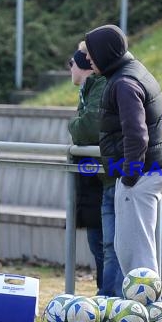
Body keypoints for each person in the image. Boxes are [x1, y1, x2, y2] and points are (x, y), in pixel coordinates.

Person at [84, 25, 162, 278]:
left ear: (104, 52)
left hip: (139, 176)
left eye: (91, 52)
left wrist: (129, 176)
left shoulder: (123, 82)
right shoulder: (131, 72)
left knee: (136, 258)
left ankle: (143, 314)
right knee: (137, 252)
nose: (88, 59)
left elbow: (136, 133)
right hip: (146, 173)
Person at [67, 43, 106, 294]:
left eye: (71, 63)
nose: (69, 69)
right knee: (100, 245)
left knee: (103, 245)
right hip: (94, 179)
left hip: (103, 179)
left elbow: (86, 130)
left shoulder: (99, 88)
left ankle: (108, 296)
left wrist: (74, 125)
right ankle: (105, 294)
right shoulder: (89, 90)